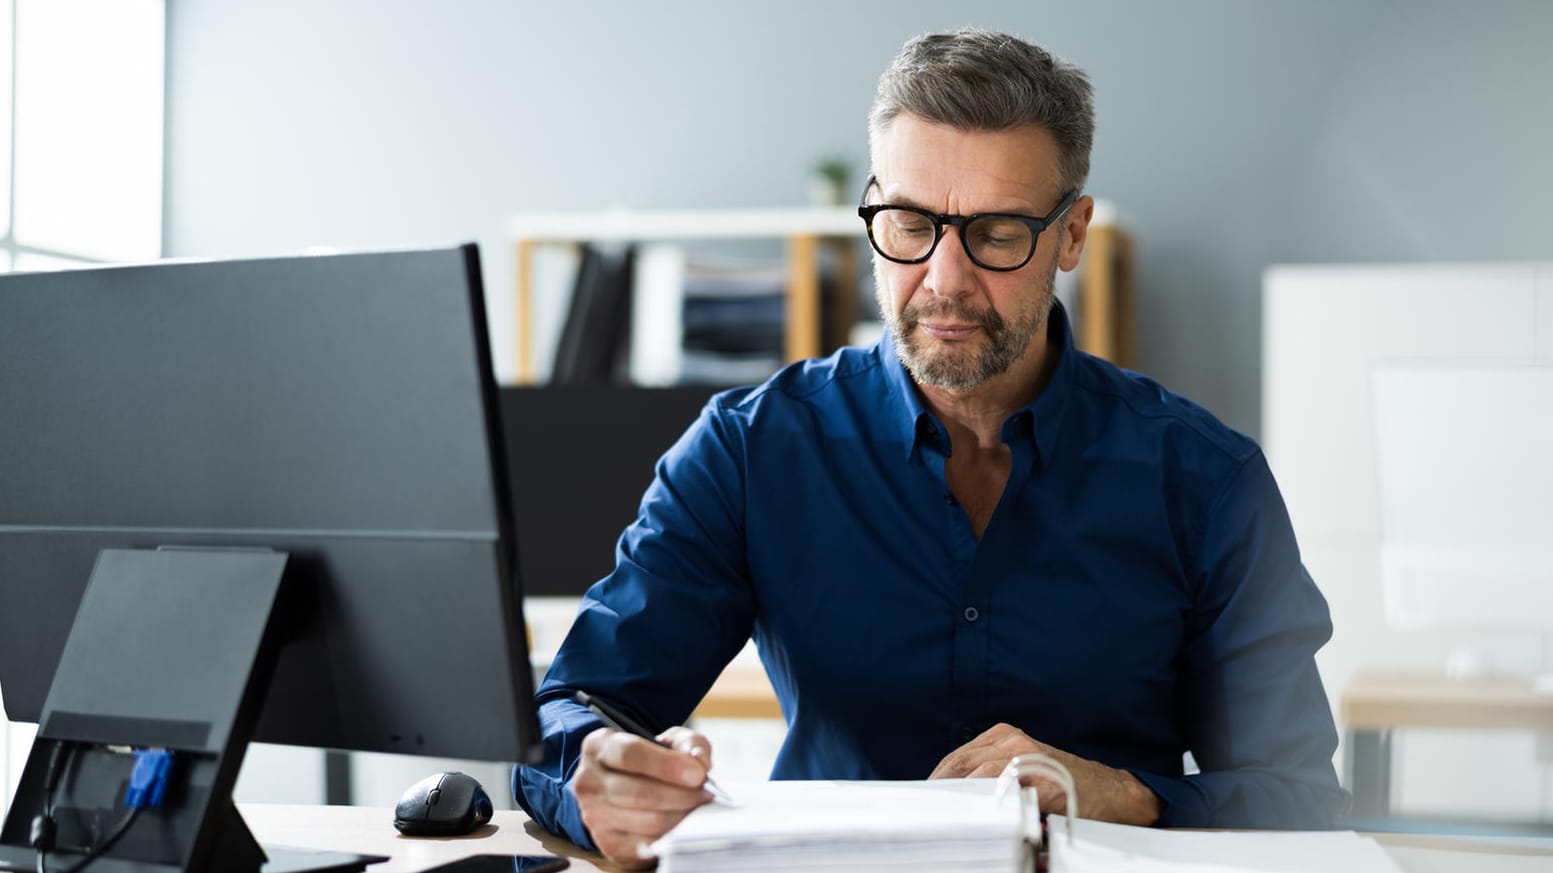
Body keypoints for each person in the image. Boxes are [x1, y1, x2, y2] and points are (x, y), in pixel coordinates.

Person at [515, 28, 1349, 868]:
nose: (944, 280)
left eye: (994, 234)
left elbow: (1300, 797)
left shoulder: (1207, 481)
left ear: (1071, 235)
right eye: (910, 223)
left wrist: (1117, 792)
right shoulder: (750, 449)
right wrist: (600, 777)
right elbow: (572, 710)